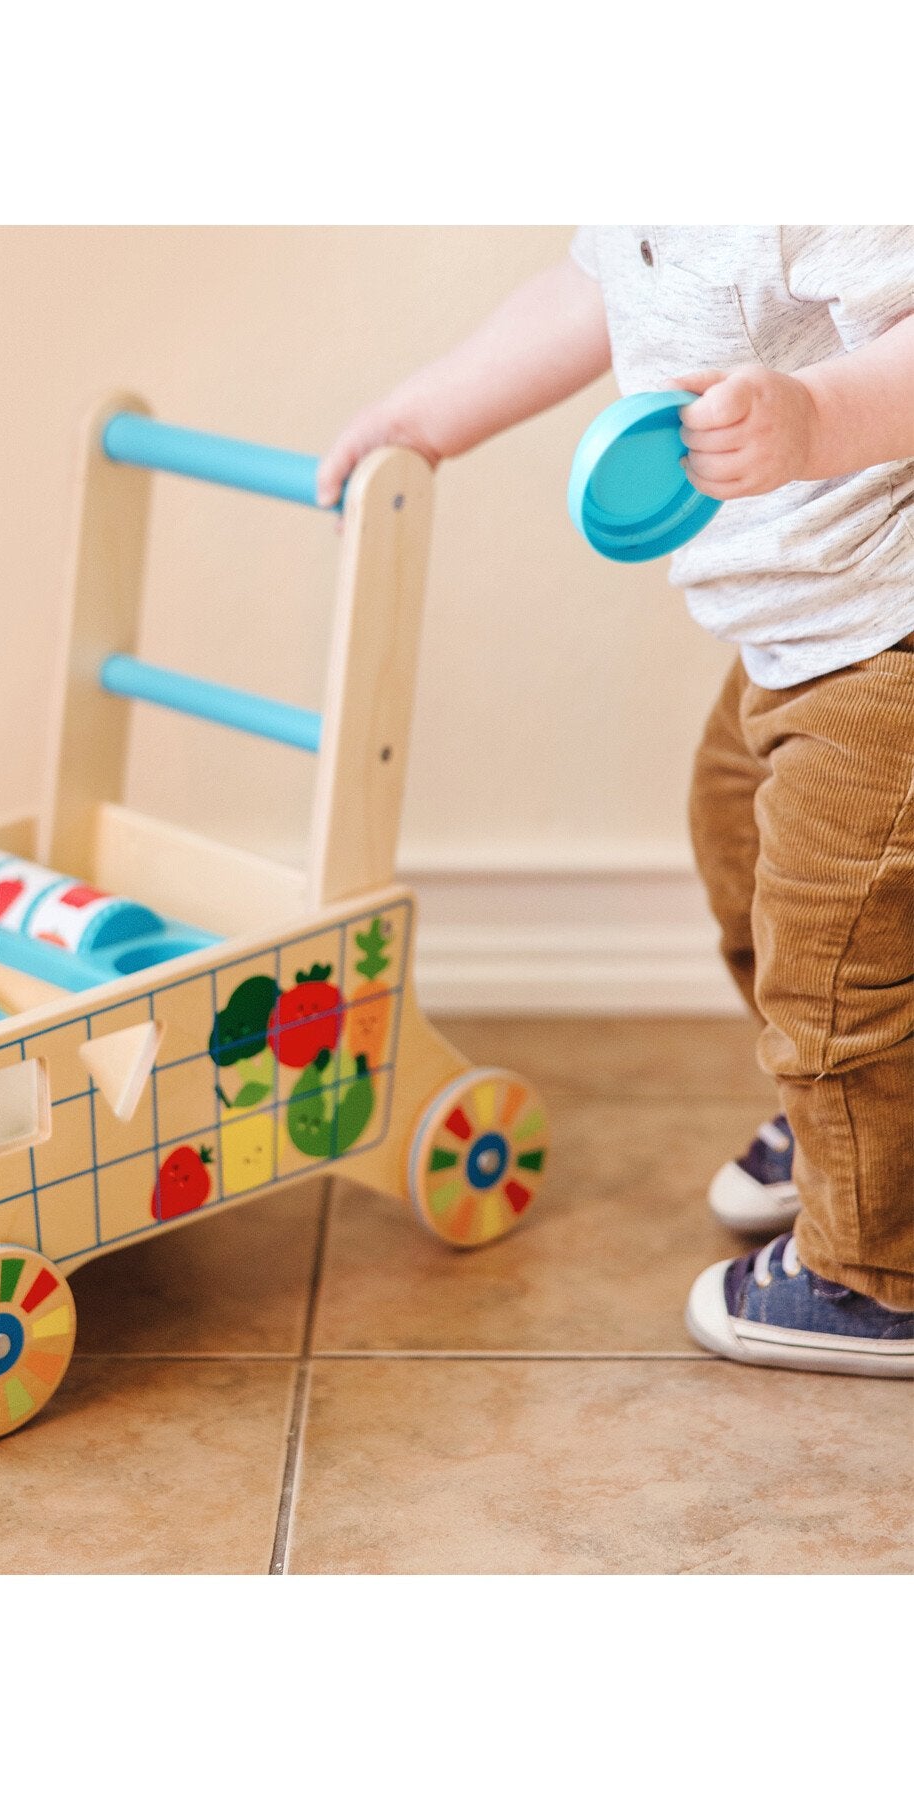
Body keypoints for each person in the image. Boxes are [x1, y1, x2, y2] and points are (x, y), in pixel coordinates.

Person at [319, 228, 914, 1377]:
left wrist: (812, 417)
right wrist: (427, 415)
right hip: (797, 632)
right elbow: (589, 288)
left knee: (834, 960)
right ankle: (868, 1133)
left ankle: (879, 1272)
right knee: (738, 837)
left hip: (887, 631)